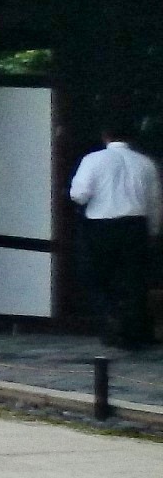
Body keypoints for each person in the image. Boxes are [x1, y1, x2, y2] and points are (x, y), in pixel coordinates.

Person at [67, 118, 158, 350]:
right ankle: (134, 330)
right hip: (135, 225)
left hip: (101, 226)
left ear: (105, 136)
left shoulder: (93, 160)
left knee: (98, 277)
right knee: (134, 280)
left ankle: (111, 318)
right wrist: (153, 230)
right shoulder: (146, 163)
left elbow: (79, 194)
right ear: (132, 138)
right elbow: (155, 202)